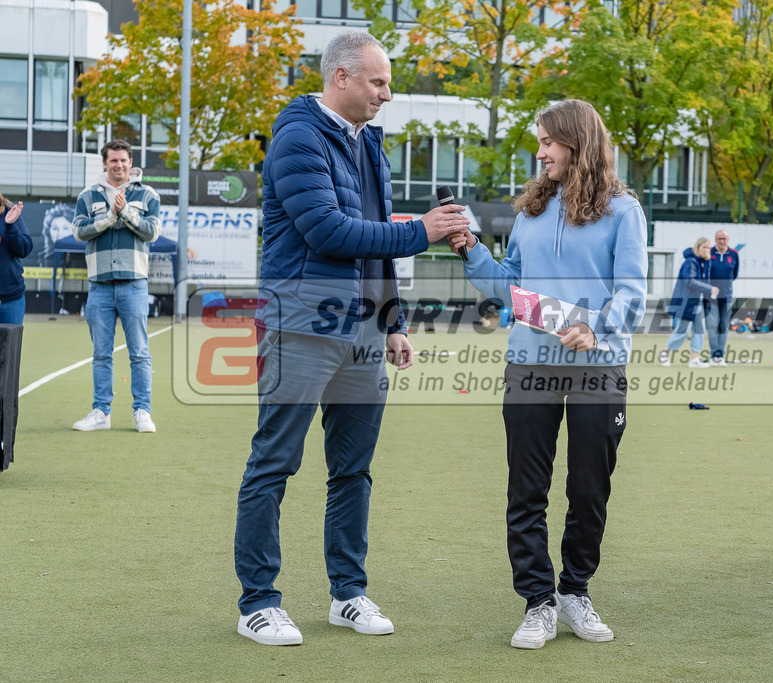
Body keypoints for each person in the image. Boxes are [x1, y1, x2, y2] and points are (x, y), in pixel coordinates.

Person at [233, 31, 467, 647]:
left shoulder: (368, 142)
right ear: (342, 77)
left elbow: (371, 237)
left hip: (362, 330)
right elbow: (329, 232)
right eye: (379, 82)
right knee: (274, 464)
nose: (387, 94)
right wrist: (422, 231)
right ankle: (257, 602)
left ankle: (348, 595)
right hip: (300, 323)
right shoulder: (298, 135)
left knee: (353, 471)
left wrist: (391, 322)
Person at [447, 99, 647, 650]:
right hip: (529, 364)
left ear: (577, 143)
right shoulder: (530, 209)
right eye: (539, 143)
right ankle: (537, 601)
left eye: (548, 143)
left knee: (589, 491)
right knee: (526, 490)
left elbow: (633, 293)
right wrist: (472, 251)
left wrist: (597, 330)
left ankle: (574, 591)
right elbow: (507, 286)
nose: (540, 153)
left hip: (598, 370)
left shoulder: (623, 210)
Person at [71, 139, 161, 433]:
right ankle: (101, 413)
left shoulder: (147, 194)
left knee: (139, 352)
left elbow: (152, 232)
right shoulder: (88, 195)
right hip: (99, 286)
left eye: (123, 160)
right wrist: (110, 216)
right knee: (101, 353)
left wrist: (126, 213)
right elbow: (79, 231)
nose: (119, 165)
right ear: (105, 163)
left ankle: (142, 411)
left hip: (134, 284)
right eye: (113, 161)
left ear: (130, 161)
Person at [660, 237, 718, 369]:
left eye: (708, 248)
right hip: (686, 301)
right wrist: (709, 288)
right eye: (703, 247)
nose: (706, 250)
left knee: (699, 329)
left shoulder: (702, 262)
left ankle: (694, 359)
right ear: (697, 248)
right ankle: (665, 352)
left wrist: (708, 262)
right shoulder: (690, 262)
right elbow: (690, 281)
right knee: (682, 330)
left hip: (697, 301)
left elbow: (704, 280)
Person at [0, 190, 34, 323]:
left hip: (11, 300)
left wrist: (10, 226)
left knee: (10, 344)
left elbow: (24, 249)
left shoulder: (9, 212)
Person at [706, 229, 739, 365]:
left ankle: (720, 354)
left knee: (724, 326)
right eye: (719, 239)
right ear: (715, 240)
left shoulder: (734, 254)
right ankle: (714, 355)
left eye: (724, 239)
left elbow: (735, 273)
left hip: (727, 296)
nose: (722, 241)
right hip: (711, 296)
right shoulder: (710, 253)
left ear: (728, 240)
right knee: (712, 325)